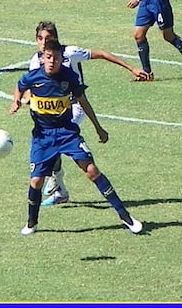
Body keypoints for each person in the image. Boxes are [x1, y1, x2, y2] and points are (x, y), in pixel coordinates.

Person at [10, 37, 143, 236]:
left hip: (67, 133)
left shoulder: (69, 77)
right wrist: (17, 101)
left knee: (92, 171)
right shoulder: (33, 77)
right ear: (43, 58)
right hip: (42, 137)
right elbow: (20, 87)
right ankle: (32, 222)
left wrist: (98, 127)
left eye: (55, 58)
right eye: (48, 57)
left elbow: (83, 101)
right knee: (36, 182)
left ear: (61, 58)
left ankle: (126, 217)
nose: (52, 61)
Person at [29, 21, 149, 207]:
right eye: (40, 38)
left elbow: (100, 54)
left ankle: (57, 182)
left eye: (48, 38)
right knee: (50, 138)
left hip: (75, 107)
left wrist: (131, 68)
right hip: (53, 110)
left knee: (58, 138)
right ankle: (59, 188)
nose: (44, 42)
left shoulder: (70, 53)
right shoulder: (36, 61)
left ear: (56, 38)